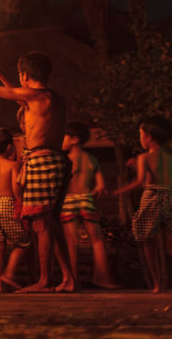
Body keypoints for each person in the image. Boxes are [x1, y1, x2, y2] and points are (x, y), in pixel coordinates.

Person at [0, 51, 75, 292]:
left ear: (25, 75)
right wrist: (1, 75)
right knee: (50, 224)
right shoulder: (51, 97)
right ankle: (69, 279)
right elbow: (21, 100)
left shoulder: (35, 96)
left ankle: (45, 280)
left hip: (42, 162)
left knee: (40, 224)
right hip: (55, 161)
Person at [111, 116, 172, 293]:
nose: (140, 138)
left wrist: (117, 192)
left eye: (140, 135)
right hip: (170, 197)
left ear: (149, 136)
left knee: (147, 242)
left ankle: (158, 283)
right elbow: (159, 177)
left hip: (152, 198)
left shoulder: (144, 157)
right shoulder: (170, 156)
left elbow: (141, 182)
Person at [60, 121, 117, 289]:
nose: (61, 141)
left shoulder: (67, 159)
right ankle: (103, 278)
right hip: (86, 199)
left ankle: (73, 280)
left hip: (69, 199)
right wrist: (90, 194)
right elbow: (101, 185)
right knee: (97, 241)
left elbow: (62, 183)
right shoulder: (92, 159)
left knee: (71, 242)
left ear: (74, 139)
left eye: (65, 137)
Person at [0, 128, 30, 292]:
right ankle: (8, 274)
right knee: (23, 242)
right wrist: (22, 205)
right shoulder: (12, 165)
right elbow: (16, 189)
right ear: (9, 147)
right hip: (6, 204)